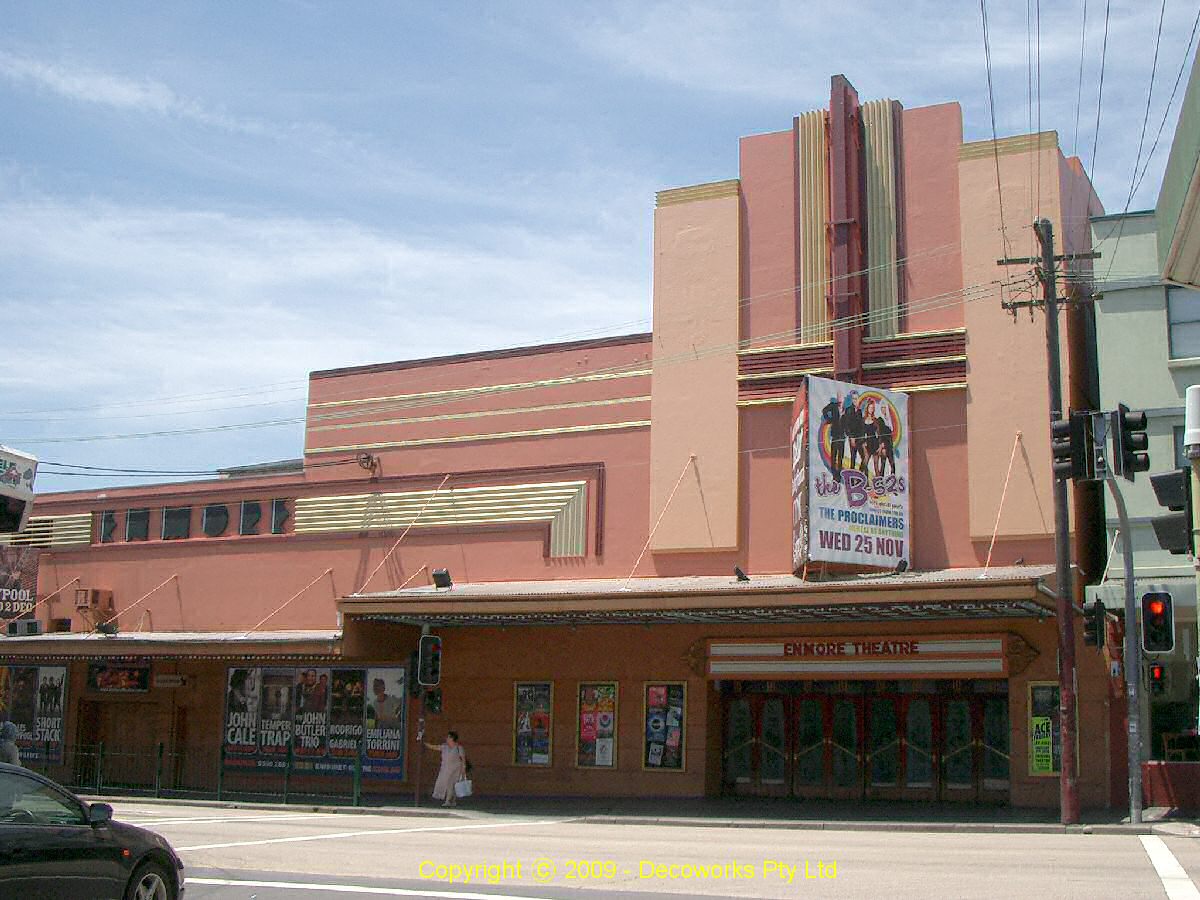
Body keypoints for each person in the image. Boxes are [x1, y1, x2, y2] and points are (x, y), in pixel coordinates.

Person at [425, 731, 467, 807]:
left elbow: (463, 759)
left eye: (448, 737)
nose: (446, 738)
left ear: (452, 738)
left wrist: (463, 769)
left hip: (456, 769)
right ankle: (453, 801)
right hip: (445, 769)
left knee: (450, 784)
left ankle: (448, 801)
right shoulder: (444, 747)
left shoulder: (459, 748)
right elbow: (435, 747)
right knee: (451, 785)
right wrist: (426, 744)